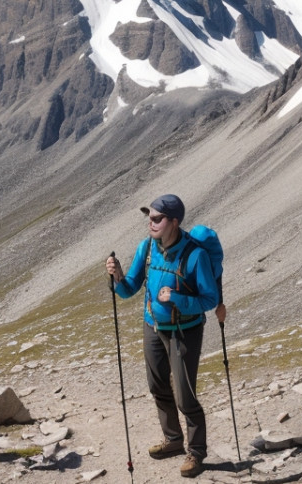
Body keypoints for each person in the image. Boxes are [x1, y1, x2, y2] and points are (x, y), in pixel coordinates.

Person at [107, 194, 219, 478]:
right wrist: (118, 277)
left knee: (185, 395)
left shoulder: (196, 255)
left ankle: (196, 453)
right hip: (153, 328)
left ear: (174, 222)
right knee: (158, 386)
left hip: (184, 331)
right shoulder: (146, 249)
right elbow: (130, 288)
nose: (151, 223)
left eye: (157, 219)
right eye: (149, 218)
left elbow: (209, 299)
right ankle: (173, 441)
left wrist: (178, 299)